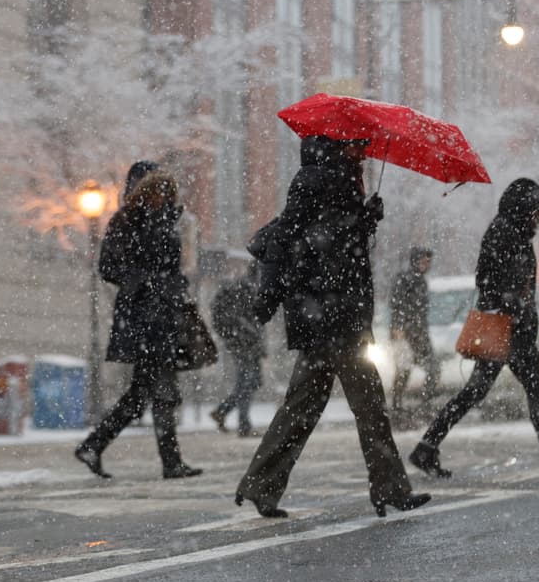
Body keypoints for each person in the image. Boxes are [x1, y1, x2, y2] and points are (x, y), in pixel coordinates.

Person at [236, 135, 430, 519]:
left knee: (302, 408)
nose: (365, 150)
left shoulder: (335, 178)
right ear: (339, 147)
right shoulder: (320, 180)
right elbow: (307, 239)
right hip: (331, 315)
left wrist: (364, 219)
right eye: (358, 144)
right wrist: (360, 220)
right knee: (368, 406)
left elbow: (329, 240)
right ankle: (389, 487)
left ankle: (261, 485)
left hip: (329, 315)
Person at [409, 178, 539, 481]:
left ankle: (427, 447)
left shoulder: (516, 233)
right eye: (536, 212)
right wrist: (510, 301)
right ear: (523, 209)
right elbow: (485, 279)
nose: (538, 219)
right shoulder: (503, 233)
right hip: (507, 328)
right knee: (529, 388)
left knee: (482, 391)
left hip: (513, 327)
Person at [75, 166, 203, 480]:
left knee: (143, 393)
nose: (162, 196)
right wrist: (145, 283)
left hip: (166, 316)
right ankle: (169, 462)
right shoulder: (126, 221)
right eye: (155, 190)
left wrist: (176, 289)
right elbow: (108, 267)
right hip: (144, 318)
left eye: (166, 191)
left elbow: (175, 266)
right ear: (142, 190)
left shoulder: (171, 221)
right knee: (160, 390)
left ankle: (95, 445)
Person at [209, 257, 266, 437]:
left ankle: (223, 411)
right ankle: (243, 425)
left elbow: (254, 320)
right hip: (244, 344)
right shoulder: (247, 288)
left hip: (246, 344)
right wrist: (249, 336)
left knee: (252, 382)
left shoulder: (250, 287)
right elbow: (249, 320)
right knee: (247, 383)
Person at [389, 246, 438, 414]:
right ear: (415, 262)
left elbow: (421, 310)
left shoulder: (422, 282)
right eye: (423, 261)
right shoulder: (404, 279)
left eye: (428, 262)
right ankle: (397, 405)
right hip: (404, 333)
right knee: (403, 369)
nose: (426, 265)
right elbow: (396, 304)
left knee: (433, 369)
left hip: (419, 333)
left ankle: (425, 403)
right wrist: (399, 327)